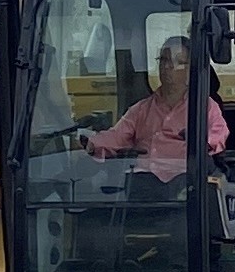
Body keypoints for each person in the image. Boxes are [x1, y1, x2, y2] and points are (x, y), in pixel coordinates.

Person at [82, 34, 226, 191]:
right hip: (142, 181)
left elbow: (217, 135)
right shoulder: (141, 109)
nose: (167, 67)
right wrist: (90, 145)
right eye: (164, 60)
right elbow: (117, 136)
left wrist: (198, 140)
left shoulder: (205, 106)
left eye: (178, 62)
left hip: (186, 183)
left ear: (190, 69)